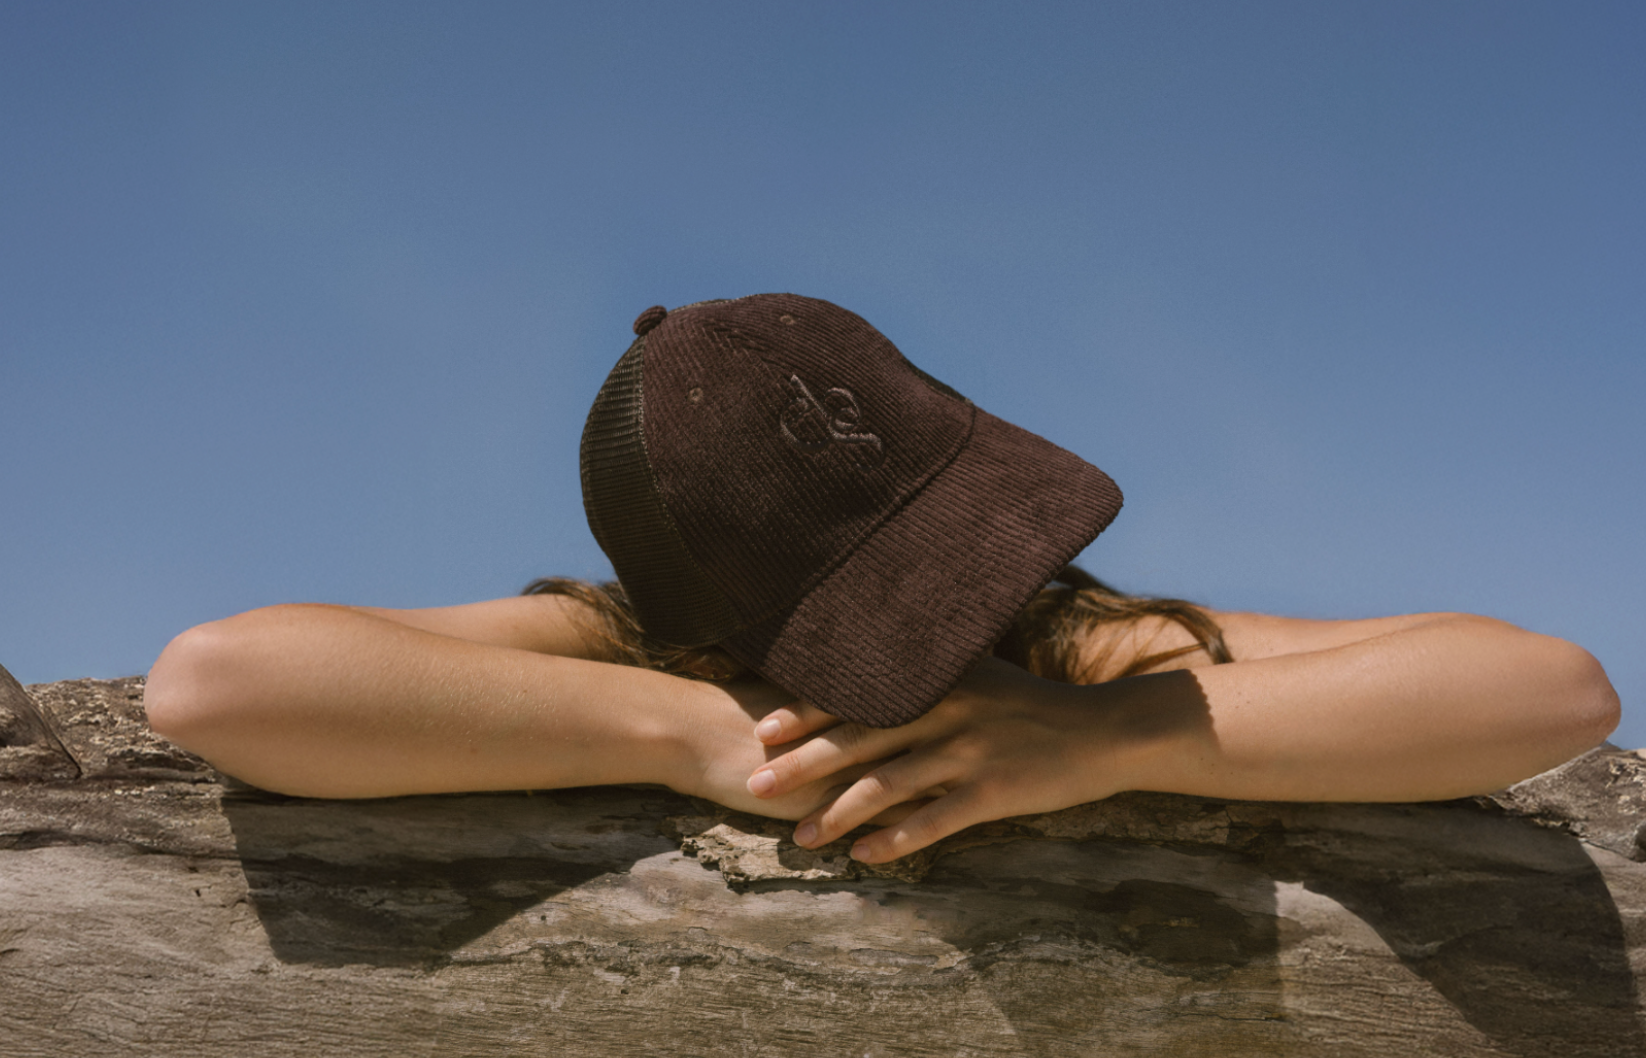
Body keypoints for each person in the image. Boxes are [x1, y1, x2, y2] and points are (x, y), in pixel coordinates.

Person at [144, 295, 1620, 865]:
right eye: (898, 597)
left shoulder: (1071, 644)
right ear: (712, 620)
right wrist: (685, 734)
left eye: (971, 550)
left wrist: (1106, 737)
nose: (971, 615)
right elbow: (220, 681)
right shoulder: (638, 646)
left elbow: (1549, 688)